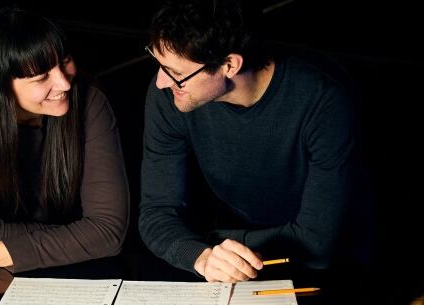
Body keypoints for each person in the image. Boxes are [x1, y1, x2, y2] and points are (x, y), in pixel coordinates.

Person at [139, 0, 367, 287]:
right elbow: (157, 212)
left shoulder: (324, 100)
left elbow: (316, 243)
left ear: (230, 65)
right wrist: (203, 256)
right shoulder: (170, 96)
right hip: (228, 259)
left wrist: (216, 241)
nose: (161, 82)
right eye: (159, 64)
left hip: (332, 267)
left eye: (177, 74)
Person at [0, 5, 129, 274]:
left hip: (52, 267)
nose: (64, 83)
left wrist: (0, 252)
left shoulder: (90, 102)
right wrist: (79, 235)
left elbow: (108, 232)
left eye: (64, 61)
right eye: (42, 77)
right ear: (1, 88)